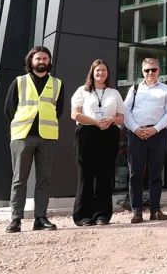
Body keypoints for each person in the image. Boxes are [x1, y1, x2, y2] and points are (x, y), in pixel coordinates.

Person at [4, 46, 64, 233]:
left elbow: (58, 109)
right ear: (31, 61)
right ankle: (16, 219)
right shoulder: (19, 82)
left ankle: (40, 218)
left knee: (44, 179)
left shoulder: (57, 84)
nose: (41, 61)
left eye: (45, 58)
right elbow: (9, 109)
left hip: (47, 136)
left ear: (49, 61)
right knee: (19, 179)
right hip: (23, 135)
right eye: (38, 58)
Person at [71, 59, 124, 226]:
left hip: (108, 134)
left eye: (104, 70)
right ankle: (83, 216)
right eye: (97, 70)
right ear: (92, 72)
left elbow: (121, 117)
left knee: (104, 175)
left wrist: (110, 121)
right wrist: (95, 122)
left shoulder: (114, 93)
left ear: (107, 73)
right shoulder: (82, 91)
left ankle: (102, 215)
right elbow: (75, 114)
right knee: (85, 175)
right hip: (87, 133)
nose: (101, 73)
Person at [124, 58, 167, 224]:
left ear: (158, 70)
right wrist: (136, 129)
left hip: (158, 134)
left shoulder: (166, 89)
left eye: (153, 70)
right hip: (136, 134)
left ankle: (155, 210)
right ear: (142, 71)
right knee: (135, 174)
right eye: (147, 70)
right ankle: (136, 211)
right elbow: (125, 112)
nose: (150, 73)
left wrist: (155, 129)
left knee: (156, 174)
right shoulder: (134, 89)